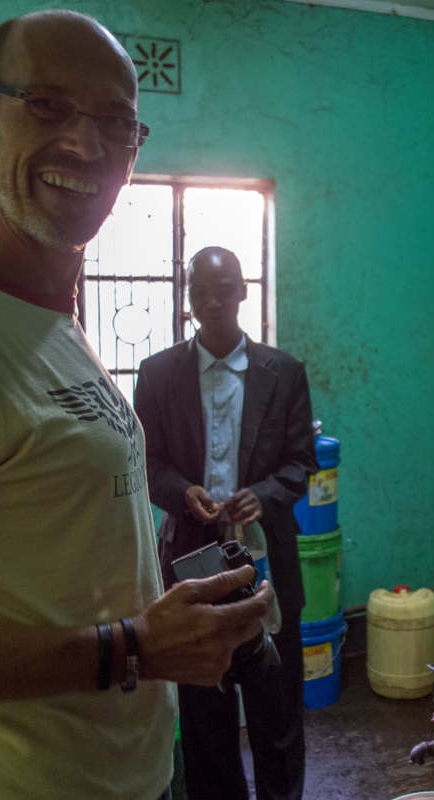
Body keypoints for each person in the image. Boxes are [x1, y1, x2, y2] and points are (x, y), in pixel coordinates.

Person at [0, 12, 273, 800]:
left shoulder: (50, 322)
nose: (87, 146)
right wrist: (130, 647)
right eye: (49, 107)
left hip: (130, 770)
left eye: (115, 123)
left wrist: (163, 623)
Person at [134, 246, 319, 800]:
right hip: (190, 560)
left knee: (276, 709)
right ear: (187, 296)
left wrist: (261, 495)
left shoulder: (283, 373)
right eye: (199, 292)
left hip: (267, 561)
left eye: (224, 289)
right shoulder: (158, 373)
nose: (212, 302)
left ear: (243, 291)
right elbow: (147, 462)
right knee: (205, 713)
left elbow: (301, 462)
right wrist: (180, 492)